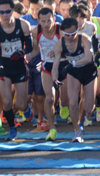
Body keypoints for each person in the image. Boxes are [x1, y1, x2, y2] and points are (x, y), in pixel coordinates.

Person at [0, 0, 33, 141]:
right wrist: (0, 66)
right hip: (5, 68)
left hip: (20, 67)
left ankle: (27, 108)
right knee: (7, 102)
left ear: (13, 11)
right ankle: (12, 128)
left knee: (20, 104)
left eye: (8, 11)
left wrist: (22, 52)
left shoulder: (24, 25)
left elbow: (30, 46)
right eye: (2, 12)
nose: (5, 15)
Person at [51, 18, 97, 143]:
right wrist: (54, 79)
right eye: (67, 34)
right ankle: (77, 131)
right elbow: (55, 66)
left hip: (88, 71)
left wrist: (74, 63)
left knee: (89, 108)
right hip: (73, 72)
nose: (70, 37)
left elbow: (89, 58)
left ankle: (84, 116)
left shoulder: (84, 39)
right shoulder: (59, 44)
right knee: (72, 103)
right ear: (62, 32)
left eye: (73, 34)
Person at [32, 8, 69, 141]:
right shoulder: (36, 31)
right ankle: (52, 127)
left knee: (65, 100)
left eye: (49, 20)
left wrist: (59, 52)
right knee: (49, 99)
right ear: (39, 21)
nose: (47, 24)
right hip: (47, 65)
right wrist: (27, 56)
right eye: (44, 21)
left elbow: (69, 49)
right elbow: (36, 50)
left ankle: (64, 106)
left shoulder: (61, 30)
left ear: (54, 18)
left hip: (63, 65)